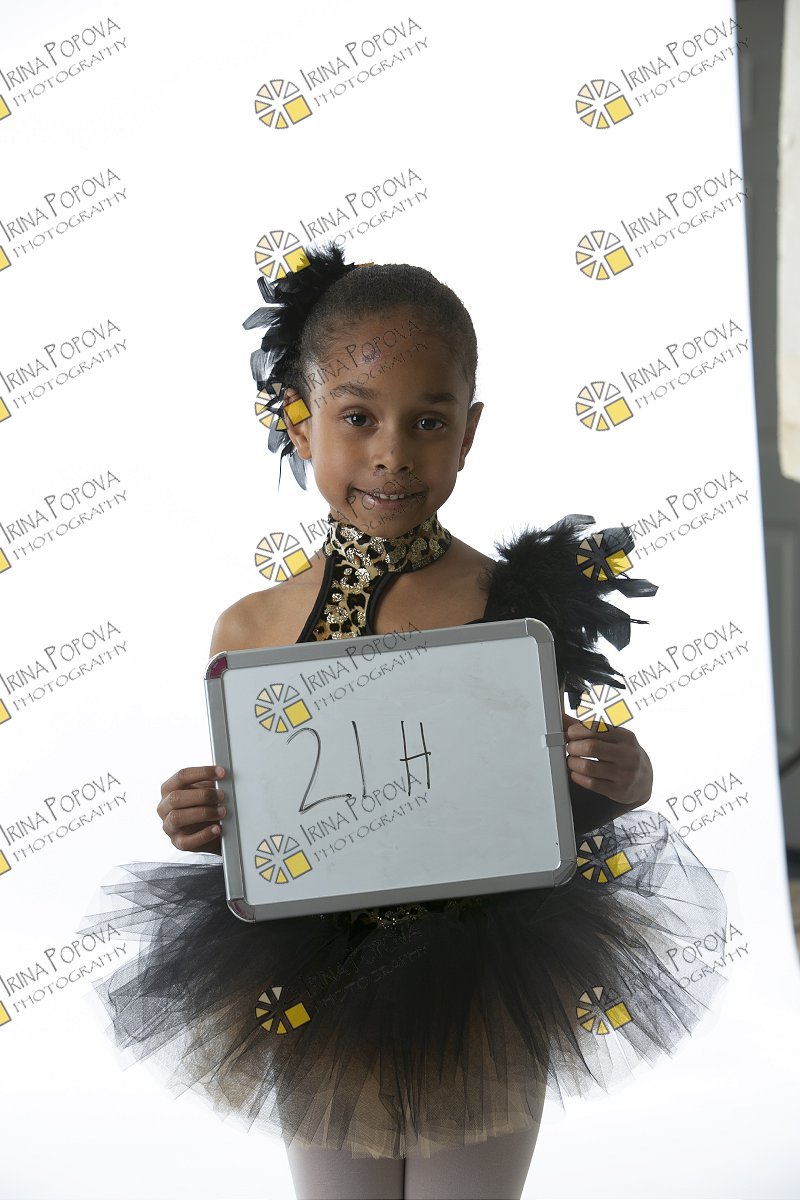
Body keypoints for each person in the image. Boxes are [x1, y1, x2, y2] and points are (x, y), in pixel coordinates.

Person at [85, 245, 726, 1200]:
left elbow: (538, 798)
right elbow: (271, 813)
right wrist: (207, 821)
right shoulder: (247, 629)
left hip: (484, 969)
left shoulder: (512, 605)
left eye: (428, 421)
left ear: (468, 433)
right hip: (317, 971)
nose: (392, 453)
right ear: (298, 422)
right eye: (357, 417)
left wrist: (620, 777)